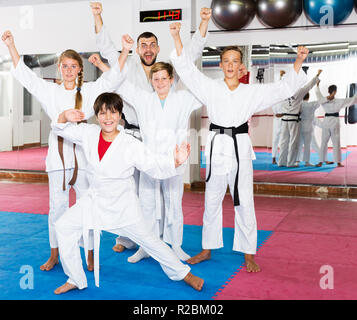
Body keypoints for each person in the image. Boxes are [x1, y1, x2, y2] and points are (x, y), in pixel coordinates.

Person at [169, 21, 309, 272]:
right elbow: (187, 70)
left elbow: (282, 88)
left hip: (240, 147)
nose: (231, 65)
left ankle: (248, 253)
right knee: (211, 199)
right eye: (226, 61)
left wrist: (297, 62)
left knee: (244, 200)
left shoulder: (251, 92)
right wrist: (177, 37)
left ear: (240, 65)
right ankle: (207, 248)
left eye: (235, 61)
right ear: (221, 65)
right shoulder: (210, 87)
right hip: (216, 146)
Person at [90, 2, 211, 258]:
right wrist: (98, 18)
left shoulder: (181, 94)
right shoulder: (141, 91)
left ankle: (175, 245)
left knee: (173, 202)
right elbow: (117, 77)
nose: (159, 82)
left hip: (174, 154)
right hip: (141, 147)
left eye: (163, 78)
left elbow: (190, 60)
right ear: (138, 48)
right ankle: (145, 244)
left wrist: (199, 26)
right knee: (142, 199)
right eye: (143, 45)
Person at [52, 92, 204, 294]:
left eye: (113, 112)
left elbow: (153, 164)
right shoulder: (88, 133)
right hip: (94, 201)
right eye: (103, 113)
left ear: (120, 115)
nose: (108, 118)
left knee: (151, 242)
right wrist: (64, 115)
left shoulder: (130, 143)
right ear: (97, 116)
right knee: (63, 226)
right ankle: (75, 278)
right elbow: (60, 128)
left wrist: (175, 161)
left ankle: (184, 273)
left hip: (123, 206)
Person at [1, 30, 126, 272]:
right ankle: (54, 253)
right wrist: (11, 45)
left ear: (80, 69)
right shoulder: (51, 91)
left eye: (73, 66)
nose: (69, 70)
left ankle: (89, 253)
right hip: (58, 158)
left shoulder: (88, 92)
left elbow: (112, 80)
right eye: (65, 66)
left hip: (83, 157)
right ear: (59, 68)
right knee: (57, 208)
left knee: (87, 206)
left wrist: (123, 52)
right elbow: (26, 77)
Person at [278, 70, 322, 167]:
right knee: (293, 141)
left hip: (285, 118)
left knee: (283, 141)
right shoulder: (299, 91)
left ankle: (281, 161)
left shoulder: (283, 89)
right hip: (293, 120)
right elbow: (309, 85)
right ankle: (291, 163)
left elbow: (280, 84)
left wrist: (281, 76)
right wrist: (317, 74)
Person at [316, 82, 357, 167]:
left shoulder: (323, 100)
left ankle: (321, 161)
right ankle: (338, 162)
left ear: (328, 91)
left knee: (324, 142)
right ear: (335, 91)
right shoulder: (338, 101)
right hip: (334, 122)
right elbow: (352, 100)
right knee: (336, 142)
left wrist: (317, 85)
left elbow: (318, 93)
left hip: (326, 122)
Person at [296, 88, 324, 166]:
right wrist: (317, 89)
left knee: (299, 144)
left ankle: (297, 161)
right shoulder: (312, 104)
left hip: (300, 126)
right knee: (307, 145)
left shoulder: (299, 105)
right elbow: (320, 101)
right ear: (308, 97)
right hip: (309, 127)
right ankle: (307, 162)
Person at [271, 70, 285, 164]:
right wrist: (280, 76)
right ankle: (274, 157)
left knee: (284, 139)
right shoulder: (275, 97)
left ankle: (283, 157)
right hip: (277, 118)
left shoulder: (285, 96)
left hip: (284, 119)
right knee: (275, 138)